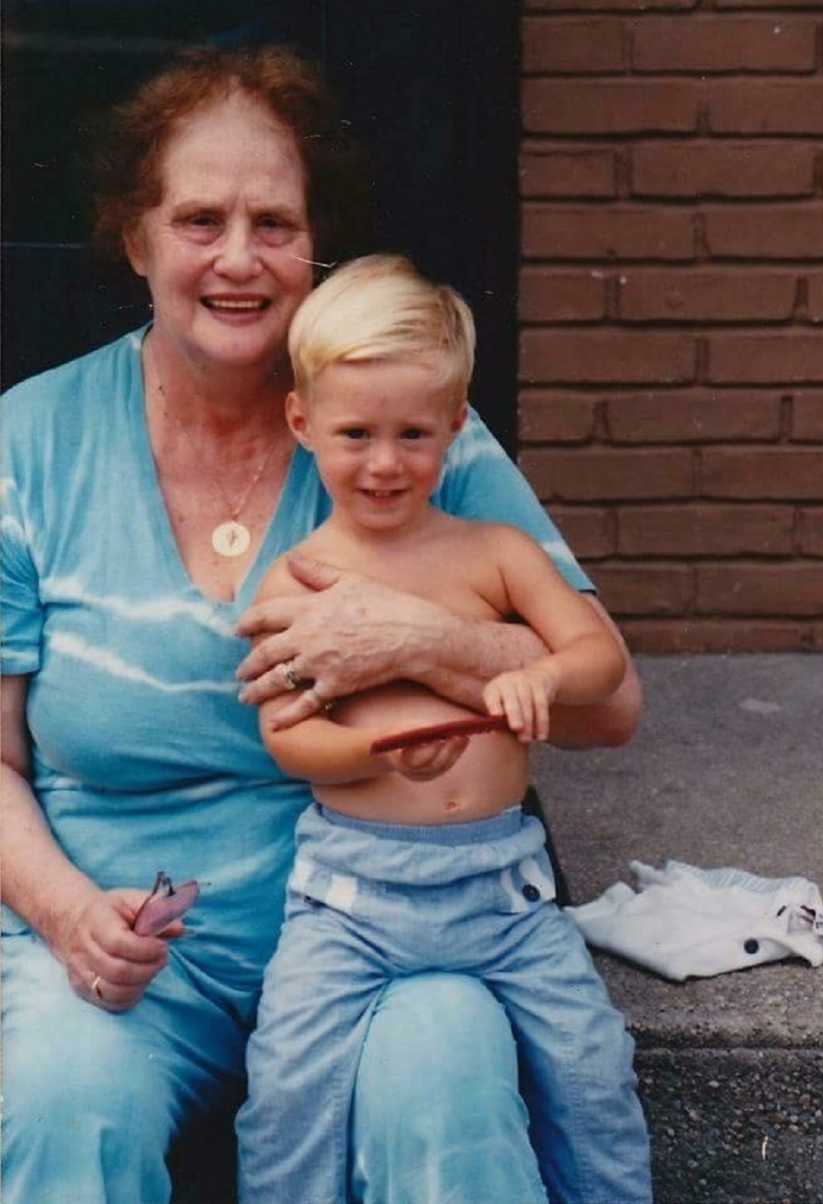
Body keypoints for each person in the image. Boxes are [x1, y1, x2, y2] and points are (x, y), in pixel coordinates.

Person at [0, 45, 642, 1204]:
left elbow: (609, 708)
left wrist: (424, 640)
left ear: (315, 249)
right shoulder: (28, 442)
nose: (238, 259)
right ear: (136, 239)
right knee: (57, 1095)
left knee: (444, 1073)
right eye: (199, 219)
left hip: (402, 926)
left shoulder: (402, 430)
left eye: (275, 223)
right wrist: (65, 912)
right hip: (129, 938)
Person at [235, 254, 653, 1204]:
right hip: (352, 900)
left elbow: (600, 662)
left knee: (592, 1067)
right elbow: (288, 740)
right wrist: (373, 751)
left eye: (414, 433)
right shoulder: (296, 580)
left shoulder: (495, 555)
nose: (385, 462)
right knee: (291, 1088)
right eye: (355, 433)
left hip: (502, 891)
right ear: (302, 424)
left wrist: (538, 674)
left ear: (456, 428)